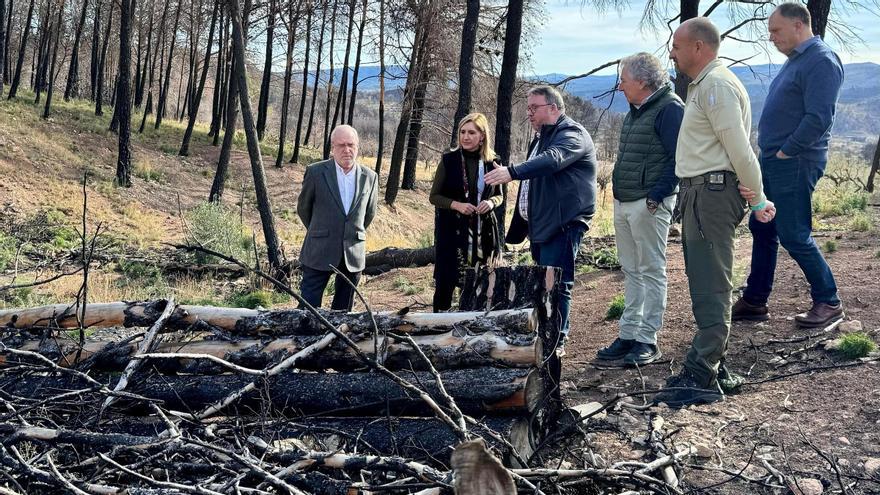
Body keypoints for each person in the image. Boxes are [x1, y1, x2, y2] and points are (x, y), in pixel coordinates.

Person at [653, 18, 776, 407]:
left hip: (711, 193)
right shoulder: (705, 85)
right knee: (704, 278)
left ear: (699, 48)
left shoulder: (717, 86)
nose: (671, 52)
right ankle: (714, 363)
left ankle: (701, 372)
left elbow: (740, 150)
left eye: (676, 45)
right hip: (701, 191)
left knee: (711, 282)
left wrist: (758, 198)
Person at [733, 3, 844, 328]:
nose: (771, 38)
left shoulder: (821, 60)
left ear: (799, 25)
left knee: (794, 233)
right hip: (775, 160)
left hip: (794, 161)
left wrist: (786, 152)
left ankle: (829, 300)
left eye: (775, 31)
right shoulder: (797, 60)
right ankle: (755, 301)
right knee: (762, 226)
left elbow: (819, 118)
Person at [484, 85, 598, 346]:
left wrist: (512, 172)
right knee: (544, 284)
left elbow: (553, 160)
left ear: (554, 108)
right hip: (541, 225)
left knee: (557, 285)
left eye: (534, 108)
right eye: (528, 108)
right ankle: (544, 337)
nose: (529, 113)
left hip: (563, 224)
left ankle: (556, 342)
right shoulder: (539, 138)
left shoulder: (572, 133)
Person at [596, 53, 683, 366]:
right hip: (625, 200)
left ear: (643, 81)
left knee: (650, 270)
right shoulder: (637, 109)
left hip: (648, 202)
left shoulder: (670, 108)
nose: (620, 87)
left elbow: (680, 159)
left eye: (624, 80)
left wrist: (656, 196)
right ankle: (629, 333)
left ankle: (648, 339)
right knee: (631, 269)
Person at [297, 125, 378, 311]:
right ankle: (306, 339)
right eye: (341, 145)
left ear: (357, 147)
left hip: (352, 252)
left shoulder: (370, 177)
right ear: (332, 147)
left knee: (343, 313)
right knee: (307, 310)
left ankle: (336, 340)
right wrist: (320, 231)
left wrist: (351, 232)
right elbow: (303, 208)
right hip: (319, 250)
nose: (346, 150)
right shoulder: (316, 172)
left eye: (351, 145)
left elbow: (369, 213)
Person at [429, 113, 504, 311]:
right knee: (446, 282)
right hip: (452, 232)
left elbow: (500, 196)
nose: (466, 137)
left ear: (482, 136)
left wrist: (490, 203)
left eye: (472, 132)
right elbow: (434, 196)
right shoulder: (449, 160)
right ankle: (437, 328)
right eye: (462, 132)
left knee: (481, 283)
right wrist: (457, 205)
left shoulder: (492, 161)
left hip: (483, 234)